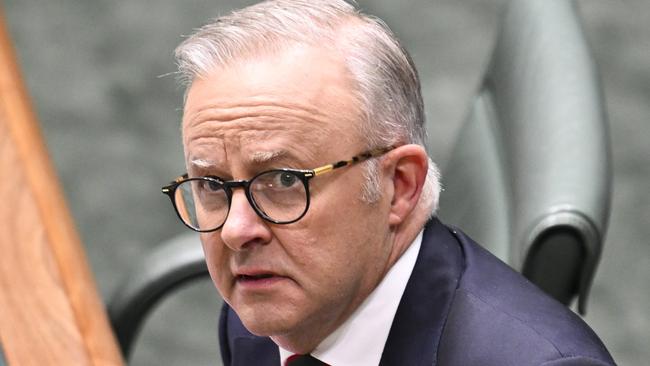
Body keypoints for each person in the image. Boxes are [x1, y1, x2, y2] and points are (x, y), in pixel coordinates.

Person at [163, 1, 615, 365]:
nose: (236, 231)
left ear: (399, 186)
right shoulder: (261, 310)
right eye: (212, 185)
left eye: (283, 180)